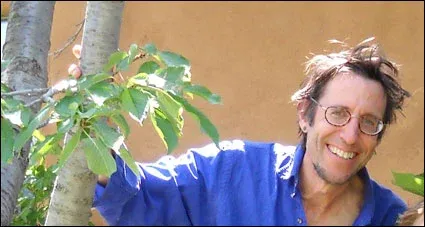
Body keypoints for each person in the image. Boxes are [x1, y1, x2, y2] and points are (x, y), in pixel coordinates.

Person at [69, 38, 411, 226]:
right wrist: (100, 129)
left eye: (368, 123)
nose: (350, 136)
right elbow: (137, 197)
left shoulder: (392, 219)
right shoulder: (229, 170)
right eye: (338, 114)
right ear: (306, 114)